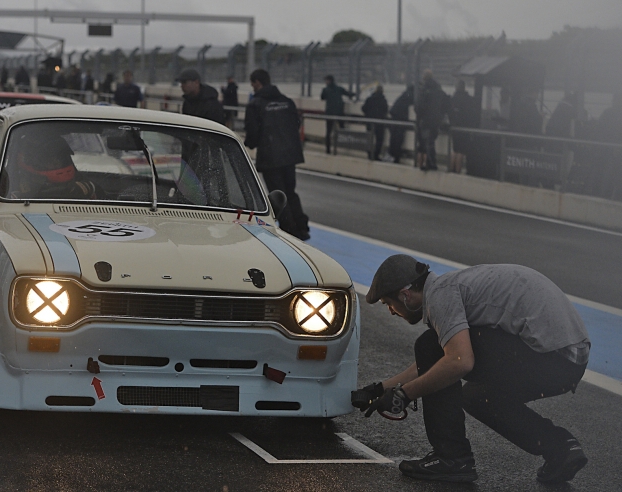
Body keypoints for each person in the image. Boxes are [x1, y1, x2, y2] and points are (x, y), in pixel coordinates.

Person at [354, 254, 590, 484]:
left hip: (549, 357)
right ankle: (560, 447)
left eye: (389, 304)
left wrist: (404, 395)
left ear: (406, 295)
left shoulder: (440, 296)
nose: (391, 312)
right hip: (568, 362)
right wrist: (381, 388)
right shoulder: (453, 286)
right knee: (478, 397)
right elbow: (438, 363)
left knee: (429, 345)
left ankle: (451, 458)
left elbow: (459, 361)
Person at [244, 68, 310, 240]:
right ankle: (302, 226)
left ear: (257, 83)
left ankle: (289, 229)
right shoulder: (287, 101)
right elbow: (296, 124)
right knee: (291, 190)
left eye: (253, 84)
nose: (253, 88)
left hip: (270, 155)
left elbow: (252, 132)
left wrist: (249, 143)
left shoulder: (255, 104)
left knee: (278, 193)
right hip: (290, 153)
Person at [5, 133, 96, 200]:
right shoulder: (10, 187)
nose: (57, 163)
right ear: (28, 161)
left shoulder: (83, 186)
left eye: (61, 158)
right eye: (49, 160)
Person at [415, 69, 449, 171]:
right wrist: (440, 116)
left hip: (426, 120)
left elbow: (418, 106)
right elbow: (445, 104)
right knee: (431, 141)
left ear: (424, 78)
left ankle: (431, 164)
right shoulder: (439, 89)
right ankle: (430, 163)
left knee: (427, 143)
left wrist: (421, 116)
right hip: (436, 121)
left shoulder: (424, 90)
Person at [320, 75, 355, 154]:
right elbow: (349, 94)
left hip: (329, 114)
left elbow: (322, 97)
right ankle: (346, 146)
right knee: (342, 130)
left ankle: (328, 149)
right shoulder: (339, 89)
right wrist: (355, 94)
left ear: (328, 81)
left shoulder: (325, 90)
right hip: (339, 113)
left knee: (328, 132)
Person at [448, 80, 476, 173]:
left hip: (454, 128)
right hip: (464, 129)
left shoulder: (453, 98)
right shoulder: (468, 99)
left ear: (456, 87)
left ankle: (451, 170)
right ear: (464, 87)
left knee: (455, 150)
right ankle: (458, 171)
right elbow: (471, 115)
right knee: (461, 151)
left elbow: (449, 113)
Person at [387, 84, 414, 163]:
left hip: (395, 116)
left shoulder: (404, 94)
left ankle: (392, 155)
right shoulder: (411, 95)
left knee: (393, 138)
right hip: (401, 118)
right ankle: (396, 157)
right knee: (398, 138)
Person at [361, 85, 389, 161]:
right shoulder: (383, 100)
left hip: (369, 122)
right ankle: (376, 155)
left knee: (369, 138)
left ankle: (369, 154)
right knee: (379, 139)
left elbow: (363, 108)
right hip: (379, 123)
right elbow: (386, 110)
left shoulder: (369, 99)